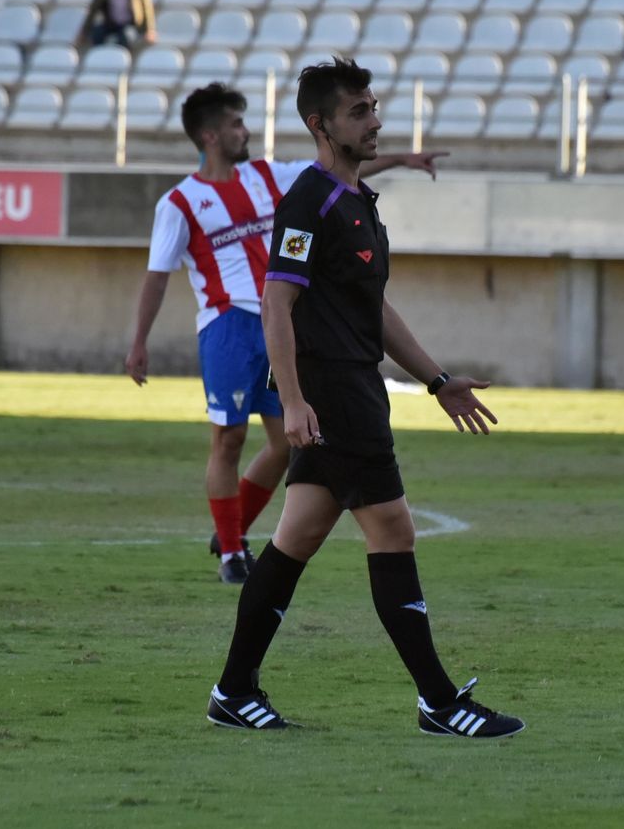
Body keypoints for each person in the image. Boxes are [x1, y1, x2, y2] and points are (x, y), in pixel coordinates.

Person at [204, 57, 524, 738]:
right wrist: (292, 401)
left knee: (295, 540)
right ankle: (439, 701)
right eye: (359, 111)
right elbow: (276, 306)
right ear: (321, 124)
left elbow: (373, 311)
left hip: (352, 389)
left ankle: (233, 691)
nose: (375, 120)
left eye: (375, 106)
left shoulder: (355, 202)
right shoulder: (308, 202)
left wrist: (438, 381)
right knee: (393, 529)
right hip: (335, 394)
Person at [127, 82, 445, 585]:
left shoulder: (266, 177)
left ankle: (229, 532)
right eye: (235, 124)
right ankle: (232, 552)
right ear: (210, 135)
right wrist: (139, 341)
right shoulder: (180, 203)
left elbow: (337, 172)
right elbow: (156, 273)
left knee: (285, 444)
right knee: (228, 438)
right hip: (227, 324)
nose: (245, 131)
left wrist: (403, 160)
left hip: (282, 326)